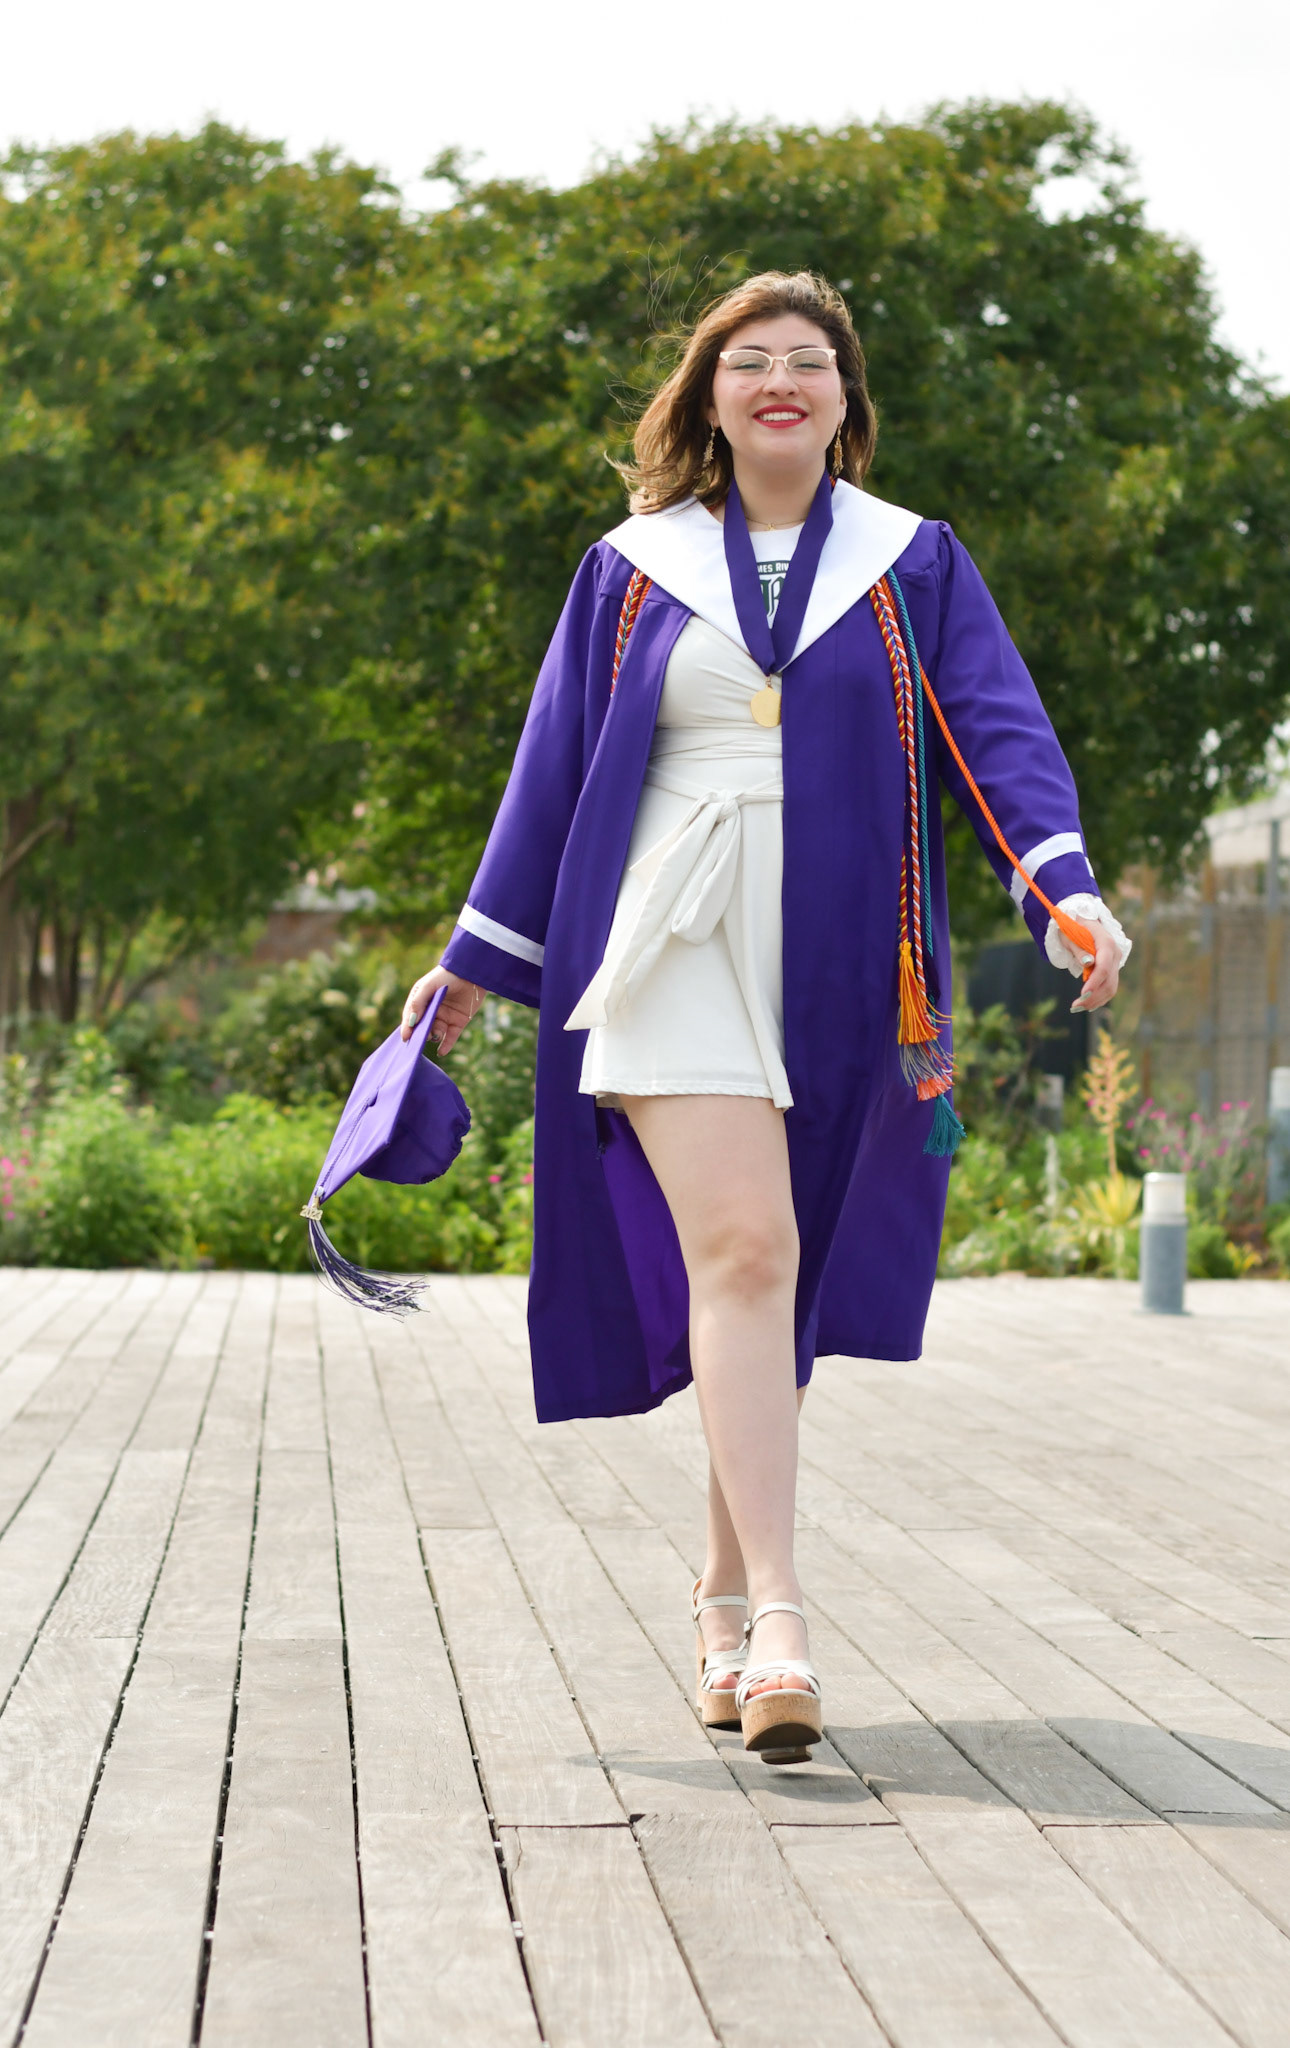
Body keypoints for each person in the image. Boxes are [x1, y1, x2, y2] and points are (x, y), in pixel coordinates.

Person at [400, 271, 1128, 1763]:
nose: (779, 379)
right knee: (741, 1250)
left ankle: (721, 1595)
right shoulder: (630, 569)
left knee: (772, 1276)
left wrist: (1064, 889)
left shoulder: (910, 563)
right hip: (673, 932)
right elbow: (552, 771)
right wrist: (473, 958)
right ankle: (786, 1618)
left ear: (845, 400)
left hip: (848, 944)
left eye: (809, 359)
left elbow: (998, 736)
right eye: (749, 361)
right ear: (711, 398)